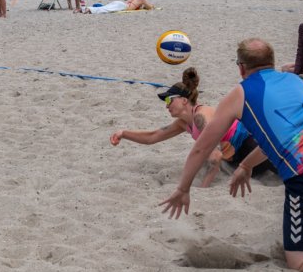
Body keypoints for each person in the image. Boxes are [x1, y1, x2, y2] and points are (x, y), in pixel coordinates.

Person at [160, 38, 303, 272]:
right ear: (272, 62)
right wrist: (246, 165)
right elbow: (280, 139)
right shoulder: (293, 80)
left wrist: (183, 188)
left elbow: (201, 148)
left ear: (241, 68)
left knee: (301, 261)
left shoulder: (240, 93)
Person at [110, 67, 275, 187]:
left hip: (252, 146)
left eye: (169, 100)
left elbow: (216, 157)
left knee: (285, 168)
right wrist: (123, 133)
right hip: (238, 160)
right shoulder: (183, 123)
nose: (166, 105)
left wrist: (203, 188)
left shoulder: (200, 117)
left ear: (183, 100)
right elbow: (153, 137)